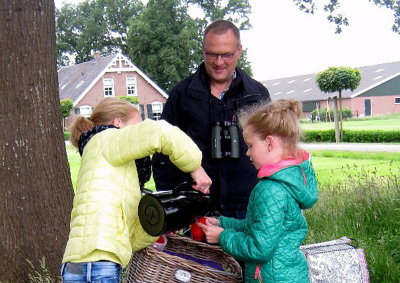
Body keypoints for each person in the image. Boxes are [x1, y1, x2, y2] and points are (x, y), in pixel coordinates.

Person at [60, 97, 211, 282]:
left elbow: (130, 238)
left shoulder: (108, 167)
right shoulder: (106, 139)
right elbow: (160, 132)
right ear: (117, 123)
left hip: (78, 264)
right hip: (100, 262)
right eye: (137, 126)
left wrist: (158, 225)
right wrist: (195, 167)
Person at [152, 19, 271, 219]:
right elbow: (162, 154)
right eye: (212, 54)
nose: (219, 62)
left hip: (248, 209)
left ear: (239, 51)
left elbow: (274, 152)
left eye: (226, 55)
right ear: (203, 50)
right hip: (195, 210)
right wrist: (170, 208)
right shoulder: (182, 95)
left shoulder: (257, 95)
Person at [197, 99, 318, 282]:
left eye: (251, 146)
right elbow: (258, 227)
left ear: (269, 144)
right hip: (288, 274)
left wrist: (222, 236)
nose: (247, 153)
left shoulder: (270, 189)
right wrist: (223, 223)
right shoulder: (288, 182)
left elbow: (259, 248)